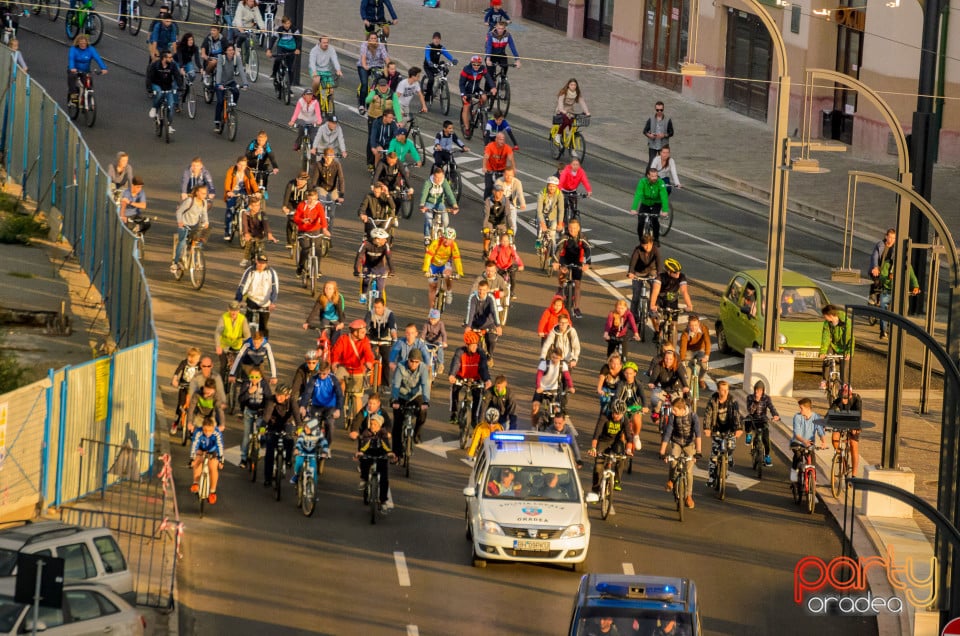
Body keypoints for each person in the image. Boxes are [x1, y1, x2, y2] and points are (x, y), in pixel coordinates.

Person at [659, 396, 702, 509]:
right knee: (673, 461)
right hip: (677, 442)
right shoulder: (673, 417)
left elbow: (698, 435)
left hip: (689, 444)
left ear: (682, 409)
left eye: (675, 410)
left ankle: (689, 496)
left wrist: (698, 451)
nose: (672, 412)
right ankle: (671, 481)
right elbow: (668, 433)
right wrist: (662, 451)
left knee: (688, 471)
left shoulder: (693, 416)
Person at [330, 319, 375, 418]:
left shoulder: (365, 341)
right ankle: (338, 405)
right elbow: (336, 352)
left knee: (357, 396)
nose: (364, 333)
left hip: (358, 369)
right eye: (362, 332)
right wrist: (334, 363)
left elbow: (368, 353)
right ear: (355, 332)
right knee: (337, 382)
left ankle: (357, 420)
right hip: (344, 366)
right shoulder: (343, 339)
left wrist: (369, 362)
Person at [260, 384, 301, 488]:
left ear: (287, 396)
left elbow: (296, 414)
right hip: (273, 424)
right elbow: (267, 415)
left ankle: (287, 459)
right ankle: (268, 478)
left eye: (281, 396)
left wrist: (299, 427)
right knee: (269, 451)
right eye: (277, 395)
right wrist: (263, 427)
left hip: (286, 423)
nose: (278, 398)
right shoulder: (271, 400)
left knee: (289, 439)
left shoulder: (292, 401)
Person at [448, 330, 492, 426]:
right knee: (454, 389)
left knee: (478, 396)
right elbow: (455, 364)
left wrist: (487, 379)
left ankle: (474, 418)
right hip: (461, 376)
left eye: (476, 344)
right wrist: (452, 375)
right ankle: (454, 412)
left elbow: (483, 368)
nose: (475, 347)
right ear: (467, 345)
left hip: (475, 377)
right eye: (472, 345)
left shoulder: (481, 353)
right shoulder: (460, 352)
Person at [703, 380, 742, 487]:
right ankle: (711, 477)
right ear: (718, 390)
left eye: (726, 390)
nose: (724, 392)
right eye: (722, 390)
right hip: (716, 429)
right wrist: (707, 428)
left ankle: (729, 456)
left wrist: (738, 428)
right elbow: (708, 415)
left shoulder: (732, 401)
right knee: (714, 454)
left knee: (731, 445)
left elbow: (736, 415)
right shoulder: (713, 401)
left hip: (729, 429)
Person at [391, 349, 431, 450]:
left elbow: (425, 385)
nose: (413, 364)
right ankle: (396, 452)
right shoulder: (400, 367)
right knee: (397, 424)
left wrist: (426, 400)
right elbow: (396, 385)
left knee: (423, 413)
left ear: (420, 362)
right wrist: (395, 400)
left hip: (416, 395)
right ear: (408, 360)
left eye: (416, 362)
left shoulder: (423, 368)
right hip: (401, 395)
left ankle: (416, 434)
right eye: (411, 361)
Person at [355, 412, 395, 512]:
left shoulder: (383, 433)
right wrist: (361, 452)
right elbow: (365, 444)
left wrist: (389, 453)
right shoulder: (366, 433)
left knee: (384, 478)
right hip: (369, 454)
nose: (373, 426)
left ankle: (383, 501)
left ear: (380, 425)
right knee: (364, 462)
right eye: (371, 424)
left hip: (381, 455)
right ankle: (364, 479)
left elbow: (386, 444)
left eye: (375, 424)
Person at [552, 218, 591, 318]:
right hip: (566, 258)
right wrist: (556, 262)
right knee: (562, 271)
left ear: (578, 228)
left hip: (578, 260)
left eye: (574, 228)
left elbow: (588, 250)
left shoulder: (582, 237)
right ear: (568, 228)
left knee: (577, 284)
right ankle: (561, 287)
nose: (572, 230)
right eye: (570, 228)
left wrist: (587, 263)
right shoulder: (565, 236)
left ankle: (577, 308)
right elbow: (558, 248)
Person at [588, 400, 630, 492]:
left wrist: (628, 449)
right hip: (603, 441)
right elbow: (596, 434)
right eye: (615, 413)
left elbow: (628, 436)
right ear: (612, 411)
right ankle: (595, 489)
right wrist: (593, 448)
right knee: (598, 466)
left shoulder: (625, 420)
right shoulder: (604, 417)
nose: (617, 416)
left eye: (620, 414)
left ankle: (617, 480)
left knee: (622, 458)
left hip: (616, 441)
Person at [235, 254, 279, 338]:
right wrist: (237, 300)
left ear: (266, 263)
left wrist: (272, 302)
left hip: (265, 303)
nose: (261, 265)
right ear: (256, 261)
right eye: (259, 263)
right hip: (252, 300)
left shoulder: (272, 273)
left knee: (263, 328)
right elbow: (243, 286)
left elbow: (275, 288)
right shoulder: (250, 271)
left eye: (263, 263)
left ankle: (265, 346)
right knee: (246, 326)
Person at [237, 367, 272, 468]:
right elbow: (241, 399)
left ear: (260, 376)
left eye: (256, 377)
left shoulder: (264, 385)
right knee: (247, 435)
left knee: (260, 432)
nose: (254, 379)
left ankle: (260, 446)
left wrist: (265, 411)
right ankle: (243, 458)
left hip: (260, 412)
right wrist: (249, 392)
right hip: (248, 411)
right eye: (252, 376)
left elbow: (269, 399)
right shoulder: (246, 383)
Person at [301, 360, 342, 444]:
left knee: (329, 424)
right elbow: (307, 393)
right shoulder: (314, 379)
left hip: (330, 407)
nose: (321, 376)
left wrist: (338, 409)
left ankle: (327, 446)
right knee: (312, 425)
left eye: (324, 374)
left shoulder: (333, 379)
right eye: (320, 373)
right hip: (316, 406)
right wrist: (303, 406)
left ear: (328, 371)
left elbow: (339, 394)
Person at [172, 184, 210, 274]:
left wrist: (206, 222)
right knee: (182, 243)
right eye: (202, 193)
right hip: (184, 225)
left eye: (205, 193)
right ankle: (176, 263)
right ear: (197, 193)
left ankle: (195, 259)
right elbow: (179, 211)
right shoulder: (190, 201)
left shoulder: (204, 202)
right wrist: (180, 222)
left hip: (194, 226)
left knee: (199, 242)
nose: (204, 195)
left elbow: (205, 214)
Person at [292, 188, 331, 277]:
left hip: (316, 230)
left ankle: (318, 268)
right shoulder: (302, 205)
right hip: (304, 230)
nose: (312, 201)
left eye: (314, 199)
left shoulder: (318, 206)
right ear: (307, 198)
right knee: (305, 248)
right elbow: (296, 218)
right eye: (310, 199)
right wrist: (302, 220)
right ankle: (300, 267)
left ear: (317, 198)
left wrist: (324, 229)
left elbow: (323, 218)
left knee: (318, 249)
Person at [532, 346, 574, 427]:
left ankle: (554, 425)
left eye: (557, 358)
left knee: (556, 409)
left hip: (553, 390)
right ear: (551, 355)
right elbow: (539, 376)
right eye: (553, 357)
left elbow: (567, 377)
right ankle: (534, 426)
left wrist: (571, 387)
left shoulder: (563, 365)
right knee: (535, 409)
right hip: (541, 389)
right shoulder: (544, 364)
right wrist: (538, 387)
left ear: (561, 358)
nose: (554, 360)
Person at [213, 43, 250, 135]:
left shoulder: (236, 58)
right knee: (220, 101)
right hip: (220, 83)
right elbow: (219, 71)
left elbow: (241, 70)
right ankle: (217, 122)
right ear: (225, 51)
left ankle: (232, 108)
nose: (231, 52)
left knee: (236, 92)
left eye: (232, 50)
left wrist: (245, 83)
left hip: (230, 81)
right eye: (229, 50)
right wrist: (218, 84)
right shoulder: (221, 58)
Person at [650, 258, 693, 335]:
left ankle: (672, 335)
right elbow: (655, 291)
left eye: (679, 271)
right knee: (653, 315)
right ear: (669, 272)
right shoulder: (660, 277)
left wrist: (689, 305)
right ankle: (657, 332)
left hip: (671, 296)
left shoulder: (681, 277)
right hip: (660, 296)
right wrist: (652, 305)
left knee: (673, 321)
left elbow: (684, 291)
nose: (678, 274)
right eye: (675, 272)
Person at [610, 361, 646, 452]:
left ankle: (636, 436)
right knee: (621, 424)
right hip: (623, 407)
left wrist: (645, 406)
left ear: (635, 373)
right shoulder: (621, 383)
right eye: (626, 373)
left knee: (636, 416)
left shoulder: (638, 384)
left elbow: (643, 396)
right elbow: (617, 395)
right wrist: (615, 403)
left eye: (630, 373)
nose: (628, 375)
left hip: (635, 407)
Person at [646, 344, 689, 420]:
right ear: (663, 358)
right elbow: (654, 375)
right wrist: (652, 382)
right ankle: (656, 412)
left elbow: (682, 376)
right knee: (654, 399)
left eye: (670, 359)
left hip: (676, 389)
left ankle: (677, 420)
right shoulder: (659, 365)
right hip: (663, 388)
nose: (668, 361)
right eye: (666, 358)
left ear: (674, 359)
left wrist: (685, 386)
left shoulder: (678, 366)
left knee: (677, 405)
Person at [423, 227, 464, 308]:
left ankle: (449, 291)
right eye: (445, 238)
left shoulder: (454, 246)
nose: (446, 241)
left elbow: (457, 259)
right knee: (432, 287)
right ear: (442, 236)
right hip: (433, 264)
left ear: (453, 240)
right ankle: (431, 310)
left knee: (448, 275)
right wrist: (426, 270)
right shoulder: (436, 243)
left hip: (445, 263)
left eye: (449, 239)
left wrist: (460, 273)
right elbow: (428, 256)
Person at [629, 166, 670, 245]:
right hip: (645, 204)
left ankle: (656, 239)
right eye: (652, 176)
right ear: (648, 176)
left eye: (656, 176)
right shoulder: (642, 182)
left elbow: (664, 197)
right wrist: (634, 209)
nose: (655, 178)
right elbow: (638, 194)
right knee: (640, 223)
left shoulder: (660, 183)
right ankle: (641, 239)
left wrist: (665, 210)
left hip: (656, 204)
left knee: (654, 219)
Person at [464, 280, 503, 363]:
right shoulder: (473, 297)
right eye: (480, 289)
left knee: (491, 340)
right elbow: (470, 311)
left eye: (484, 290)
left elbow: (494, 311)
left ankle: (490, 356)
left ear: (487, 290)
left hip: (488, 323)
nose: (481, 292)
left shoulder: (490, 298)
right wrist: (468, 326)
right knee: (473, 342)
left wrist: (498, 326)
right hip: (475, 324)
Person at [420, 166, 459, 245]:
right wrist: (422, 205)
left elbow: (449, 193)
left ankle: (444, 236)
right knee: (428, 219)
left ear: (443, 176)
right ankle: (427, 237)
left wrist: (455, 205)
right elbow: (424, 194)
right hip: (429, 203)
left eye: (440, 178)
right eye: (436, 178)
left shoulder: (444, 182)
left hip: (440, 203)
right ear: (433, 176)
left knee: (445, 220)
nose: (438, 180)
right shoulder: (428, 182)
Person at [354, 228, 395, 305]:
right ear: (377, 239)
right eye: (384, 239)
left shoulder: (386, 245)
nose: (386, 240)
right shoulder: (366, 244)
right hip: (368, 265)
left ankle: (380, 304)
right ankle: (363, 295)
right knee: (365, 280)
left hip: (380, 267)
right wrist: (356, 270)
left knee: (380, 287)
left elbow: (389, 258)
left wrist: (392, 271)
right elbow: (359, 256)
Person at [830, 384, 863, 477]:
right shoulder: (838, 401)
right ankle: (842, 457)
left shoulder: (857, 400)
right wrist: (824, 423)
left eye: (846, 397)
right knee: (834, 438)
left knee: (853, 444)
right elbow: (830, 412)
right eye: (842, 397)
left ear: (850, 394)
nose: (843, 401)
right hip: (843, 421)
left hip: (854, 421)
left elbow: (859, 415)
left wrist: (856, 428)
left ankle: (854, 475)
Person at [819, 304, 854, 390]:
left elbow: (851, 338)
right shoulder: (827, 323)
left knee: (844, 366)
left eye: (825, 316)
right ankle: (825, 380)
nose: (825, 318)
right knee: (827, 360)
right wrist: (823, 352)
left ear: (830, 315)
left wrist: (849, 352)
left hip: (844, 347)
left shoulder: (846, 322)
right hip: (833, 345)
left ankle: (845, 384)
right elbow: (825, 337)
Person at [745, 380, 779, 468]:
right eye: (756, 390)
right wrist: (756, 401)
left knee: (766, 438)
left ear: (763, 390)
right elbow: (750, 411)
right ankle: (748, 435)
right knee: (747, 419)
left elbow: (771, 407)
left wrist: (775, 415)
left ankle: (767, 456)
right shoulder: (750, 397)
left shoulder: (766, 398)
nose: (758, 392)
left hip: (763, 419)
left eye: (760, 390)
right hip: (753, 418)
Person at [214, 300, 250, 383]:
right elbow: (217, 332)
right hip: (224, 346)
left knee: (239, 364)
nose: (234, 312)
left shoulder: (242, 319)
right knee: (223, 365)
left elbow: (247, 335)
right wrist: (218, 346)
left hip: (237, 346)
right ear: (228, 309)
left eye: (236, 310)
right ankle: (221, 383)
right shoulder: (224, 317)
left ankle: (238, 379)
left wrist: (247, 346)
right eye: (232, 310)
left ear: (238, 311)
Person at [189, 417, 223, 504]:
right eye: (205, 430)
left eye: (210, 430)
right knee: (198, 460)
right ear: (202, 427)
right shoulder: (198, 432)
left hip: (213, 451)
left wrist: (221, 460)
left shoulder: (217, 433)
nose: (207, 433)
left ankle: (212, 492)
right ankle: (195, 483)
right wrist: (192, 459)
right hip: (201, 449)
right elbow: (194, 445)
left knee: (213, 467)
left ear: (213, 428)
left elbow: (220, 446)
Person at [459, 55, 495, 138]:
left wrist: (493, 87)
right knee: (466, 106)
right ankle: (467, 128)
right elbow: (461, 83)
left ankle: (479, 111)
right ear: (471, 63)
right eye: (474, 64)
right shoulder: (466, 69)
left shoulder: (482, 69)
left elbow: (488, 78)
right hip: (467, 90)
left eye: (478, 65)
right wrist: (463, 94)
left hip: (476, 88)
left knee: (484, 97)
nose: (476, 66)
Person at [147, 50, 183, 132]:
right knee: (159, 93)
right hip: (156, 85)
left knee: (171, 106)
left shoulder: (172, 65)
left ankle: (169, 125)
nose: (172, 59)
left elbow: (177, 76)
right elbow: (149, 77)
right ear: (164, 58)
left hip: (168, 87)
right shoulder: (155, 65)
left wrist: (180, 86)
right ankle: (154, 108)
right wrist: (149, 89)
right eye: (170, 57)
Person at [366, 297, 397, 387]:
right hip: (372, 338)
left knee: (386, 360)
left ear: (384, 306)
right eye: (375, 307)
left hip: (385, 339)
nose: (377, 309)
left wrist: (394, 339)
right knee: (366, 356)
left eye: (379, 307)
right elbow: (365, 324)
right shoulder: (370, 313)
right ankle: (365, 378)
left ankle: (385, 384)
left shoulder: (389, 314)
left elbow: (392, 328)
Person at [357, 32, 390, 115]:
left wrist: (390, 67)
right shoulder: (364, 45)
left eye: (375, 38)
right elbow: (363, 57)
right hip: (364, 65)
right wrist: (365, 66)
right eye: (371, 38)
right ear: (368, 39)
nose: (373, 40)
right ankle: (361, 105)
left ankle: (376, 102)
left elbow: (386, 58)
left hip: (377, 66)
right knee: (364, 84)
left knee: (378, 82)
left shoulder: (381, 46)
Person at [67, 34, 107, 103]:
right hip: (74, 70)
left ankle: (86, 102)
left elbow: (98, 58)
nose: (83, 45)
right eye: (81, 43)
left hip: (85, 71)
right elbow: (71, 59)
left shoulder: (91, 49)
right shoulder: (73, 49)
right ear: (78, 43)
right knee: (72, 80)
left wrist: (103, 68)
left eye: (84, 43)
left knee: (89, 84)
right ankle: (73, 98)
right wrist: (72, 68)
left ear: (87, 43)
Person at [289, 417, 330, 485]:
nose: (305, 429)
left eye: (307, 428)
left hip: (312, 454)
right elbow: (300, 441)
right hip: (302, 452)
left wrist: (325, 452)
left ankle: (314, 487)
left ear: (313, 428)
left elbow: (324, 442)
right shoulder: (303, 433)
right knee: (298, 463)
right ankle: (296, 475)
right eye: (305, 427)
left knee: (313, 469)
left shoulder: (318, 434)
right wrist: (297, 449)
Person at [240, 194, 276, 267]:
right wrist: (246, 234)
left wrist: (269, 234)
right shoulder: (246, 214)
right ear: (250, 206)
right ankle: (245, 258)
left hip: (259, 235)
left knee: (261, 250)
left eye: (259, 205)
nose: (258, 207)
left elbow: (266, 225)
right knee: (249, 245)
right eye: (255, 205)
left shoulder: (262, 214)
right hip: (249, 234)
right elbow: (244, 225)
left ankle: (262, 265)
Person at [171, 347, 202, 433]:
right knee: (180, 405)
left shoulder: (199, 365)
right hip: (183, 386)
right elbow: (177, 372)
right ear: (190, 357)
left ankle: (194, 425)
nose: (198, 360)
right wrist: (174, 379)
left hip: (194, 388)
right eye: (196, 358)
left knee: (196, 405)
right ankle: (175, 423)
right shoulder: (184, 363)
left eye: (198, 358)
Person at [791, 398, 822, 478]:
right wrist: (804, 441)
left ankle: (812, 481)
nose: (800, 411)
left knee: (812, 462)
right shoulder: (797, 417)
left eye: (801, 408)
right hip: (798, 442)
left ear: (808, 408)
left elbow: (820, 431)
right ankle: (794, 477)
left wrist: (823, 441)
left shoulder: (816, 417)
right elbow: (797, 434)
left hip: (809, 443)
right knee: (798, 456)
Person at [422, 32, 457, 103]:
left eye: (438, 39)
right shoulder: (429, 46)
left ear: (440, 40)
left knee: (445, 70)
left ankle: (439, 85)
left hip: (436, 66)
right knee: (431, 79)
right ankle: (428, 96)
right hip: (428, 66)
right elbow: (427, 55)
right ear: (433, 39)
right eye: (435, 39)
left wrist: (453, 59)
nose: (436, 40)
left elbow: (447, 54)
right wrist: (429, 61)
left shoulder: (441, 48)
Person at [678, 314, 710, 390]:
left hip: (700, 349)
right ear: (688, 325)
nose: (694, 328)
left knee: (705, 366)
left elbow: (707, 342)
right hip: (689, 351)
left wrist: (707, 355)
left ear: (698, 323)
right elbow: (683, 348)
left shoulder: (704, 329)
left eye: (695, 325)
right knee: (687, 373)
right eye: (691, 325)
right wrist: (682, 360)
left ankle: (701, 379)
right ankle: (687, 392)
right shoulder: (685, 333)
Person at [267, 15, 300, 84]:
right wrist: (269, 49)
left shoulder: (294, 29)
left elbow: (298, 40)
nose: (287, 25)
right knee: (278, 59)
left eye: (288, 23)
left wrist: (297, 49)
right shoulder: (279, 29)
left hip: (291, 49)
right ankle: (274, 73)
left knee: (290, 69)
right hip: (281, 47)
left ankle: (289, 88)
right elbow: (273, 39)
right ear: (282, 23)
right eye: (285, 24)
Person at [554, 78, 589, 144]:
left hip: (570, 111)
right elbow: (560, 102)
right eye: (571, 85)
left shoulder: (577, 93)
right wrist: (562, 110)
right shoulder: (563, 92)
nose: (573, 86)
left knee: (573, 127)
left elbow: (582, 102)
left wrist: (586, 111)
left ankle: (572, 147)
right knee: (566, 121)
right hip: (561, 110)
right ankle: (558, 134)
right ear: (568, 85)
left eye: (574, 85)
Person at [489, 232, 524, 299]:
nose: (505, 242)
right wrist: (494, 263)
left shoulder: (511, 249)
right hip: (499, 268)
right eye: (503, 241)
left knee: (513, 277)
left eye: (506, 241)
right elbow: (492, 258)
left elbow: (517, 258)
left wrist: (519, 266)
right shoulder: (497, 248)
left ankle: (512, 292)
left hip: (509, 268)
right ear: (500, 241)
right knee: (495, 281)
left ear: (509, 242)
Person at [482, 132, 515, 200]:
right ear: (496, 139)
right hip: (489, 168)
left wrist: (512, 169)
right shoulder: (490, 146)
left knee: (503, 186)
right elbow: (486, 157)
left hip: (501, 169)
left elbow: (510, 159)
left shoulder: (507, 148)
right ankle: (486, 201)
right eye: (500, 139)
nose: (502, 141)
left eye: (503, 139)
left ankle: (507, 200)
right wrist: (484, 167)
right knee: (488, 186)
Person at [557, 158, 592, 223]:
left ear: (579, 166)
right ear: (571, 165)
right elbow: (561, 180)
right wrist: (558, 190)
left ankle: (573, 218)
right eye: (574, 164)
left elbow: (585, 181)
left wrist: (589, 190)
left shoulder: (581, 172)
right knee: (564, 205)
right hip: (564, 190)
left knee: (574, 206)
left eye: (577, 165)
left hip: (573, 190)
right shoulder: (566, 170)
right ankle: (563, 221)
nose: (575, 166)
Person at [313, 148, 346, 214]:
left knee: (332, 212)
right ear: (324, 156)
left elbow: (341, 179)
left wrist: (341, 195)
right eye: (327, 157)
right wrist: (313, 192)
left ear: (333, 157)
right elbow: (314, 179)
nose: (328, 160)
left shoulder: (337, 165)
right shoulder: (318, 164)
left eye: (331, 157)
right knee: (321, 205)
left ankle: (330, 222)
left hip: (333, 189)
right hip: (321, 187)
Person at [282, 171, 310, 246]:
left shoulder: (309, 186)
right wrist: (284, 207)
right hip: (291, 203)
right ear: (296, 179)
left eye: (302, 181)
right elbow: (286, 196)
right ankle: (290, 242)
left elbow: (312, 198)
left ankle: (305, 237)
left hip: (303, 204)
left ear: (306, 181)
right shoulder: (291, 184)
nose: (300, 182)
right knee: (290, 220)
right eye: (298, 180)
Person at [644, 100, 674, 164]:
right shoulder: (651, 119)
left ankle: (660, 174)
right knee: (651, 163)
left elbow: (671, 132)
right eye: (657, 110)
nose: (659, 111)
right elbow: (645, 131)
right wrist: (650, 135)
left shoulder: (668, 120)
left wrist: (664, 135)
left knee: (663, 163)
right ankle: (647, 174)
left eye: (661, 110)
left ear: (663, 109)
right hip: (653, 144)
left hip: (663, 145)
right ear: (655, 109)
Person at [537, 176, 565, 241]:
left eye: (554, 186)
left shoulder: (559, 194)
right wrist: (542, 223)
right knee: (540, 233)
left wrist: (560, 223)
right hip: (542, 214)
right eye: (550, 186)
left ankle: (552, 247)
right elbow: (539, 210)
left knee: (552, 234)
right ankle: (538, 247)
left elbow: (561, 210)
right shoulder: (542, 193)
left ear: (556, 187)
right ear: (547, 186)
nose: (552, 188)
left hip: (553, 215)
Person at [423, 308, 448, 374]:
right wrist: (421, 340)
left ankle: (440, 364)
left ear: (438, 319)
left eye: (434, 319)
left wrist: (444, 342)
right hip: (428, 341)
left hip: (437, 341)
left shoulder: (441, 324)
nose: (432, 321)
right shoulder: (426, 323)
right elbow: (423, 333)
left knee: (440, 349)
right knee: (422, 349)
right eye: (431, 318)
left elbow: (443, 333)